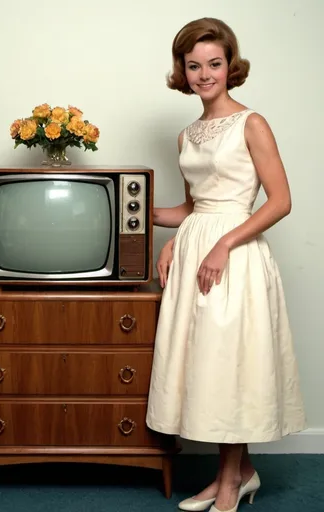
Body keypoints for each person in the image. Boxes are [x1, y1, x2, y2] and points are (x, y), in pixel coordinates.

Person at [145, 17, 306, 512]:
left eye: (214, 63)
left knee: (232, 364)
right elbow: (193, 207)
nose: (204, 74)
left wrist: (223, 245)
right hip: (197, 247)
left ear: (230, 65)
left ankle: (231, 482)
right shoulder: (188, 134)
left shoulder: (251, 122)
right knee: (209, 365)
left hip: (234, 256)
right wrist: (140, 221)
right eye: (194, 66)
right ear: (183, 71)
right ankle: (237, 473)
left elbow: (280, 201)